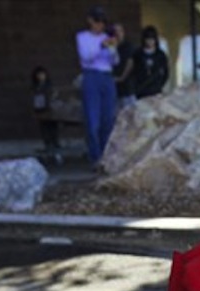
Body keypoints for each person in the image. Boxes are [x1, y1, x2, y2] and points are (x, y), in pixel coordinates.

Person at [75, 7, 119, 172]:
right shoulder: (82, 37)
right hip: (91, 76)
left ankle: (106, 158)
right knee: (93, 121)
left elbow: (115, 61)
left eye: (102, 22)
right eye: (97, 21)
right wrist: (101, 46)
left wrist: (112, 47)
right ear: (90, 21)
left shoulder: (107, 37)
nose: (100, 25)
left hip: (107, 77)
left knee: (108, 119)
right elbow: (86, 57)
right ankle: (95, 156)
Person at [30, 66, 62, 165]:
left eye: (42, 74)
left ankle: (56, 152)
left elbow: (53, 96)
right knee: (45, 132)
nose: (41, 77)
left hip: (50, 112)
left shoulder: (49, 87)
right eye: (39, 75)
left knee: (53, 131)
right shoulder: (35, 88)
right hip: (41, 111)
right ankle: (48, 150)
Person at [132, 25, 169, 99]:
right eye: (148, 39)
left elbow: (166, 73)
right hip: (141, 91)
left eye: (152, 39)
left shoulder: (160, 55)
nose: (150, 42)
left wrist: (159, 85)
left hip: (156, 91)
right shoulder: (138, 54)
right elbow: (133, 72)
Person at [112, 23, 137, 111]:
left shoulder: (128, 46)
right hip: (113, 90)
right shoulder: (110, 47)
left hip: (127, 89)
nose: (117, 34)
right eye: (115, 32)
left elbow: (130, 62)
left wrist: (122, 77)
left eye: (120, 31)